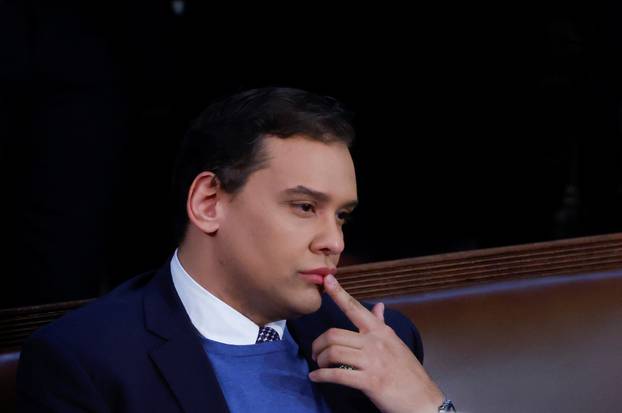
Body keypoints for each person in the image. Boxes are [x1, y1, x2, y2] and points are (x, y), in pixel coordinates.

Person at [17, 87, 454, 412]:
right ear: (209, 204)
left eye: (341, 216)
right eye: (304, 207)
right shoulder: (86, 361)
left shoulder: (380, 341)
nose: (335, 242)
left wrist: (431, 408)